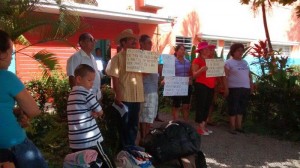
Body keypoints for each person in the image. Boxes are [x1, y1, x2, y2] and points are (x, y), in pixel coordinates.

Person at [0, 30, 48, 167]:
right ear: (2, 54)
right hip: (11, 144)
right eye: (10, 52)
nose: (11, 57)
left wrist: (13, 111)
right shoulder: (7, 77)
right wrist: (22, 112)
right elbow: (33, 110)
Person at [66, 64, 113, 168]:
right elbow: (100, 111)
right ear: (78, 79)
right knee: (106, 160)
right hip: (91, 140)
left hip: (75, 142)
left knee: (85, 164)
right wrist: (97, 113)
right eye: (89, 80)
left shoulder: (72, 94)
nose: (92, 84)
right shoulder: (86, 94)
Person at [106, 29, 144, 148]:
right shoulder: (117, 58)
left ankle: (131, 147)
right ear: (123, 43)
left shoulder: (139, 58)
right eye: (130, 39)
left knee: (134, 124)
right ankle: (124, 149)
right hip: (125, 96)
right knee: (125, 124)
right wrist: (117, 95)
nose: (134, 41)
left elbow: (145, 74)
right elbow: (114, 77)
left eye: (134, 39)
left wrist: (154, 66)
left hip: (137, 95)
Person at [192, 41, 226, 136]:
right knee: (201, 106)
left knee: (207, 106)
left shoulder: (211, 60)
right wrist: (201, 70)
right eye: (206, 49)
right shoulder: (197, 61)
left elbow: (217, 73)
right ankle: (200, 127)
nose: (209, 50)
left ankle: (203, 125)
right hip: (201, 85)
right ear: (201, 50)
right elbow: (194, 75)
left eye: (209, 49)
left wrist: (219, 81)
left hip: (211, 86)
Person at [224, 43, 253, 134]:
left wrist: (251, 84)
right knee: (233, 107)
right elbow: (225, 76)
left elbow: (249, 75)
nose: (240, 52)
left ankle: (239, 126)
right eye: (238, 50)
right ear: (233, 52)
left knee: (241, 108)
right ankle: (232, 126)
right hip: (234, 88)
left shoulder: (245, 62)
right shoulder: (228, 62)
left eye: (241, 50)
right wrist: (226, 88)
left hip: (245, 88)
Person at [66, 33, 102, 101]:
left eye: (94, 40)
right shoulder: (76, 57)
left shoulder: (92, 57)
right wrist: (79, 97)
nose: (93, 42)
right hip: (85, 98)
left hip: (96, 96)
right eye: (90, 40)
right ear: (82, 43)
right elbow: (72, 77)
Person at [138, 34, 159, 141]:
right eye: (148, 43)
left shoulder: (152, 56)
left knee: (150, 116)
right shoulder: (139, 56)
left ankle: (146, 139)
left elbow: (155, 74)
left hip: (153, 90)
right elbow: (139, 74)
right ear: (141, 44)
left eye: (151, 43)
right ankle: (143, 139)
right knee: (144, 116)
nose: (151, 45)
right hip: (146, 90)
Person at [171, 44, 192, 122]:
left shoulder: (188, 62)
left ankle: (185, 124)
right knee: (176, 105)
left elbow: (190, 73)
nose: (183, 51)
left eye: (184, 50)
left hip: (186, 85)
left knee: (186, 106)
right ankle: (175, 123)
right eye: (181, 49)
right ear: (176, 51)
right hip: (176, 86)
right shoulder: (172, 61)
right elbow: (169, 73)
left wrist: (190, 79)